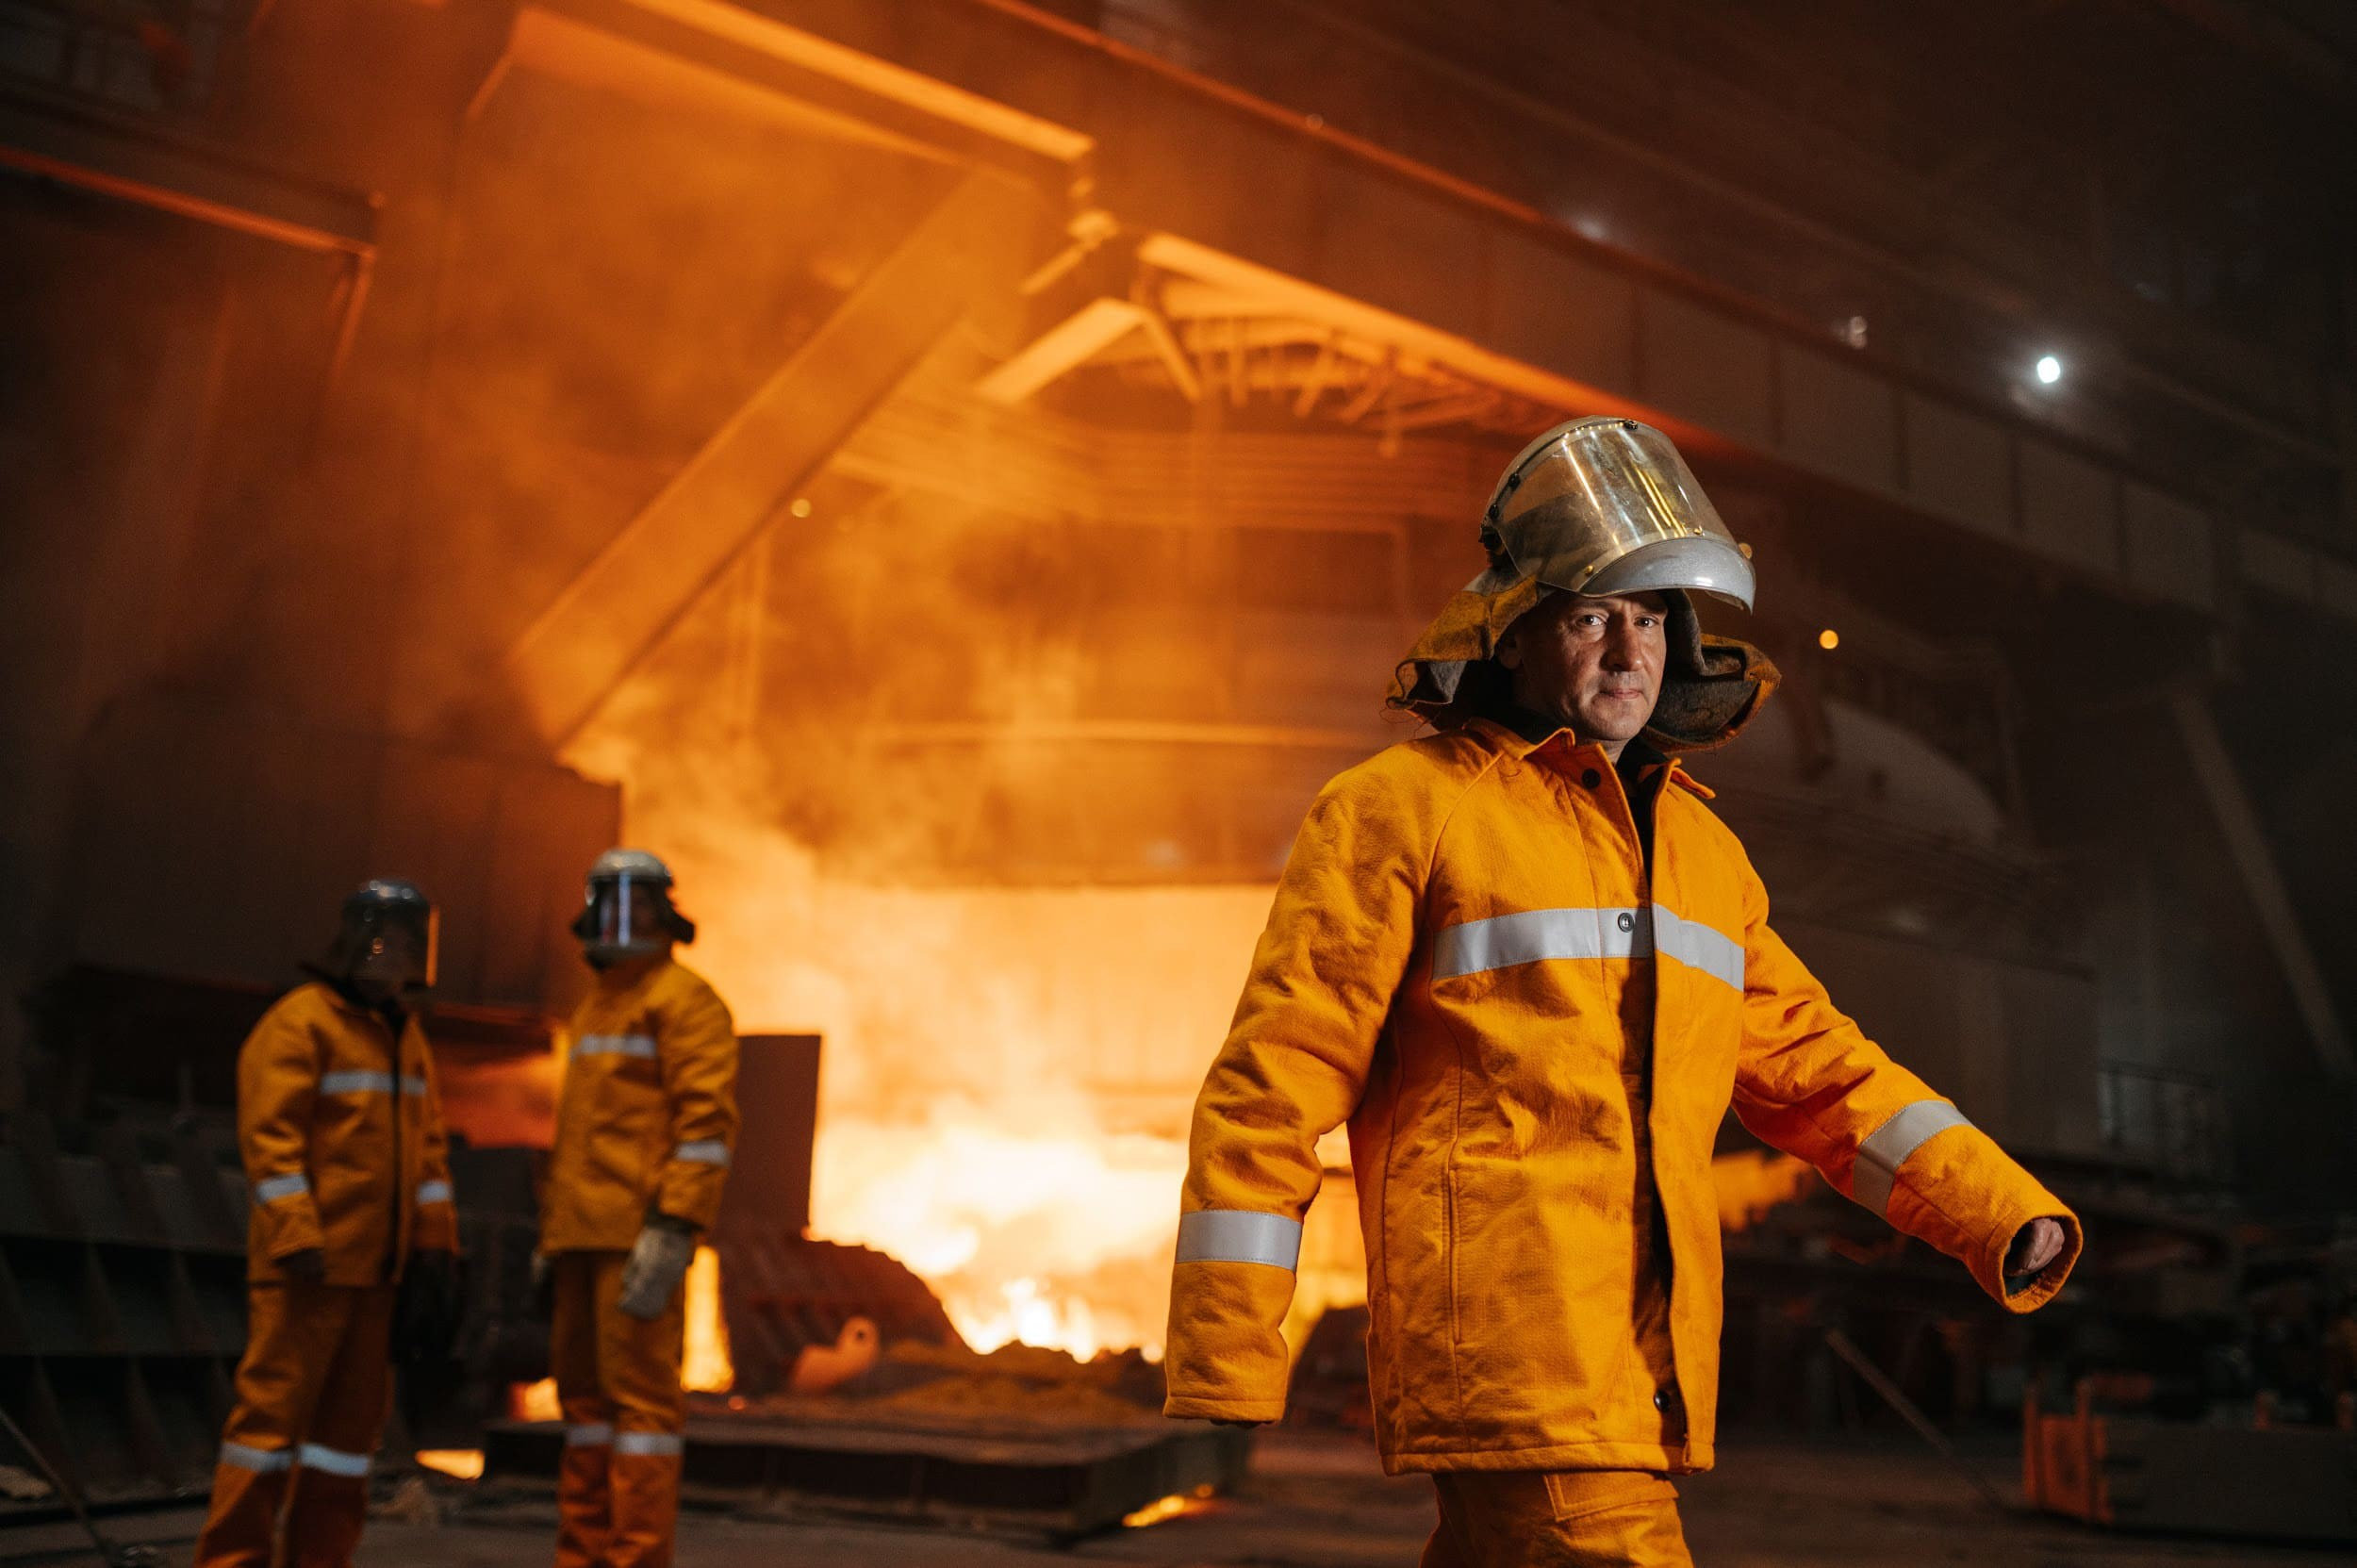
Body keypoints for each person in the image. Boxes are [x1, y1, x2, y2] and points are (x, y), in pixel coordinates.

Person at [1162, 418, 2080, 1566]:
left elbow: (1824, 1075)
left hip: (1635, 1368)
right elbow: (1275, 1079)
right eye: (1593, 614)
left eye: (1650, 619)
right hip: (1517, 1360)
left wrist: (2001, 1211)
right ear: (1517, 627)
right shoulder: (1405, 807)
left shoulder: (1701, 855)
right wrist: (1226, 1347)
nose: (1627, 650)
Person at [196, 878, 459, 1568]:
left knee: (344, 1449)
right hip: (307, 1272)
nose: (395, 956)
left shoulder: (405, 1037)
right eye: (385, 940)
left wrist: (434, 1248)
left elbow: (427, 1149)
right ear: (352, 941)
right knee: (268, 1431)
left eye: (407, 943)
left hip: (376, 1278)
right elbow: (270, 1139)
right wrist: (296, 1233)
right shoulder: (301, 1022)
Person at [540, 849, 737, 1568]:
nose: (624, 919)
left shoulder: (685, 1001)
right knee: (586, 1414)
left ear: (665, 913)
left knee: (643, 1418)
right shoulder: (596, 1005)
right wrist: (552, 1233)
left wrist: (676, 1225)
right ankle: (583, 1556)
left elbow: (705, 1128)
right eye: (611, 904)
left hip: (636, 1236)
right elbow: (579, 1133)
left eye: (639, 904)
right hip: (582, 1237)